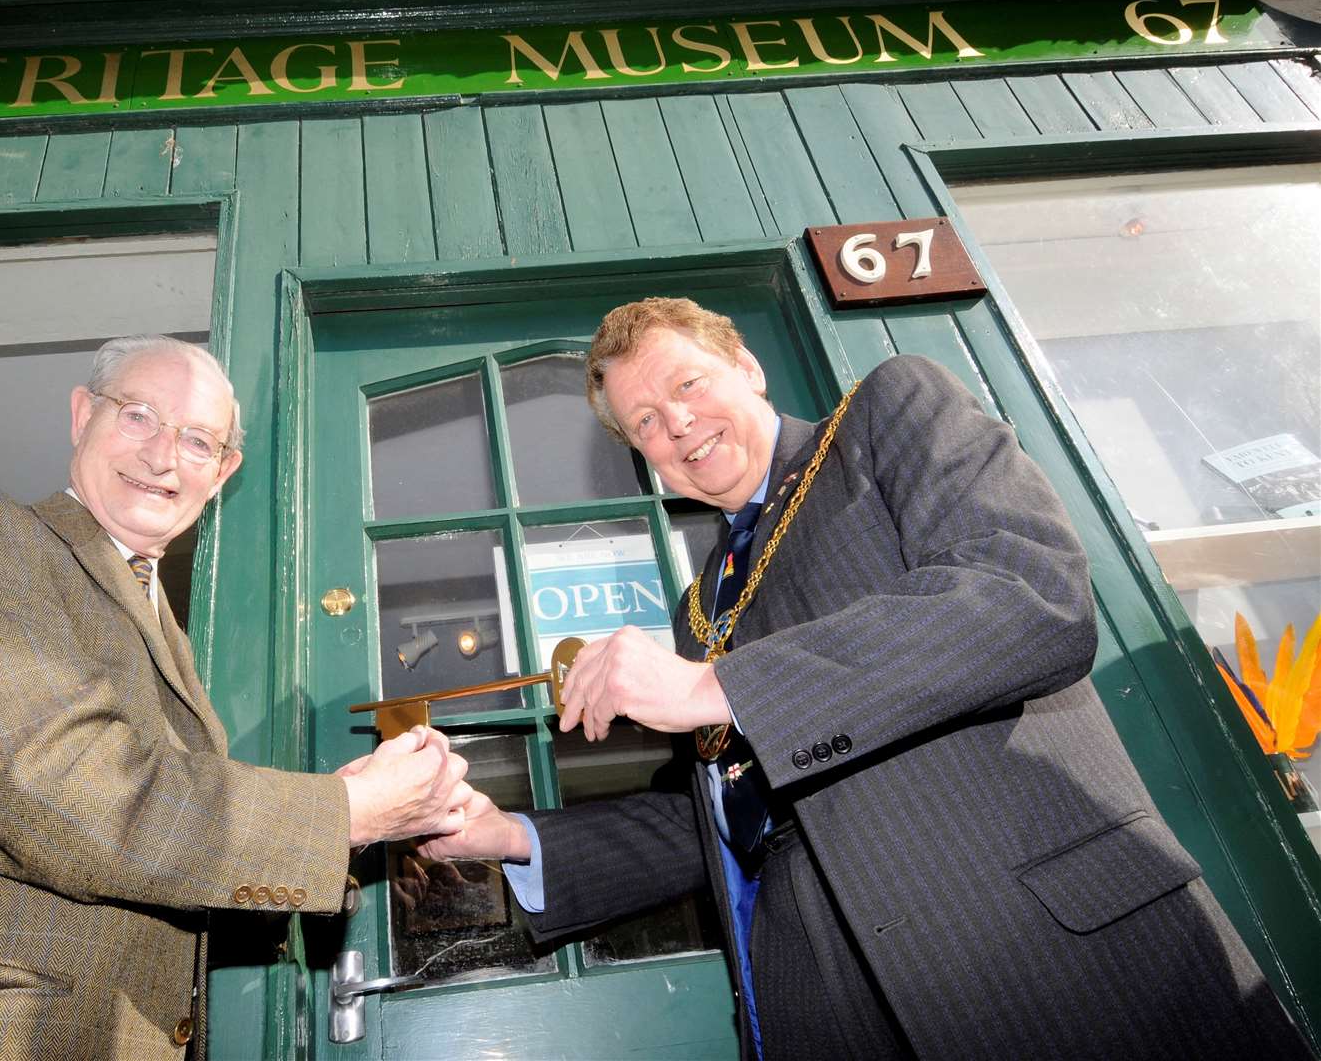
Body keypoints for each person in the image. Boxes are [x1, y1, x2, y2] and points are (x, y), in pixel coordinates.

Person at [424, 298, 1314, 1060]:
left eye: (687, 386)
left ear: (749, 367)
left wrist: (718, 689)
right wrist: (512, 837)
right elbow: (726, 821)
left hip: (1046, 956)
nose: (676, 424)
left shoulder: (889, 412)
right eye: (645, 422)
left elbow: (1028, 592)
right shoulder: (702, 607)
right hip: (832, 1005)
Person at [0, 335, 470, 1061]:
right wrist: (340, 815)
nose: (163, 454)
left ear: (223, 471)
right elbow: (52, 784)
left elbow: (159, 871)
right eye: (139, 415)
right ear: (83, 415)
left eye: (199, 441)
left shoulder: (161, 629)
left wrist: (348, 830)